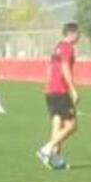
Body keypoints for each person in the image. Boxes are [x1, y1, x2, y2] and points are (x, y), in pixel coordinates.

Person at [37, 22, 80, 170]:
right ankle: (46, 150)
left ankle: (55, 159)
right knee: (72, 126)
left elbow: (50, 67)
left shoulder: (58, 47)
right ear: (72, 33)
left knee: (58, 124)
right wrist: (73, 89)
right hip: (60, 90)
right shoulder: (68, 47)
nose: (79, 36)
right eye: (78, 33)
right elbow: (65, 67)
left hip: (50, 89)